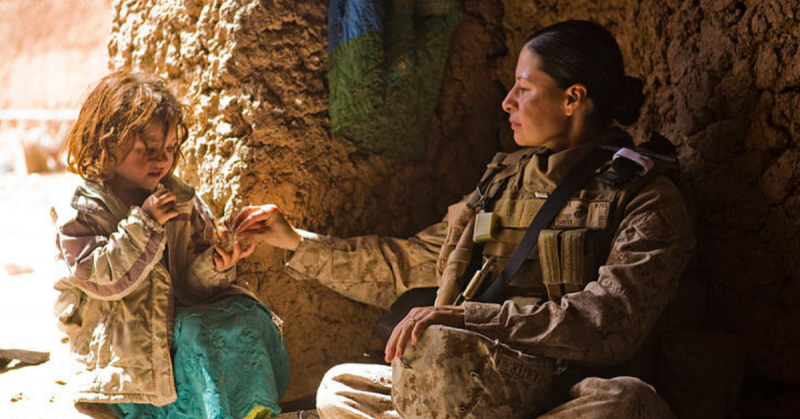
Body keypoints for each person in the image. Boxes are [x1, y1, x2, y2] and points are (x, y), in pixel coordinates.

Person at [234, 20, 694, 419]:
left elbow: (610, 322)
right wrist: (297, 242)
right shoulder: (501, 182)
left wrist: (476, 319)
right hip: (465, 387)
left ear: (573, 98)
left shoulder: (644, 194)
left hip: (558, 394)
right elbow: (412, 261)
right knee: (341, 388)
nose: (508, 102)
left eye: (525, 88)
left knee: (623, 404)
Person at [52, 71, 289, 419]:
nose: (161, 159)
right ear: (106, 143)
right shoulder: (83, 209)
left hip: (169, 335)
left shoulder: (180, 200)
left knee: (244, 317)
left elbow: (188, 283)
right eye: (147, 150)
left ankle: (252, 410)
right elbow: (101, 279)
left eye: (169, 148)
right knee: (197, 333)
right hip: (119, 356)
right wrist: (144, 224)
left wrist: (216, 265)